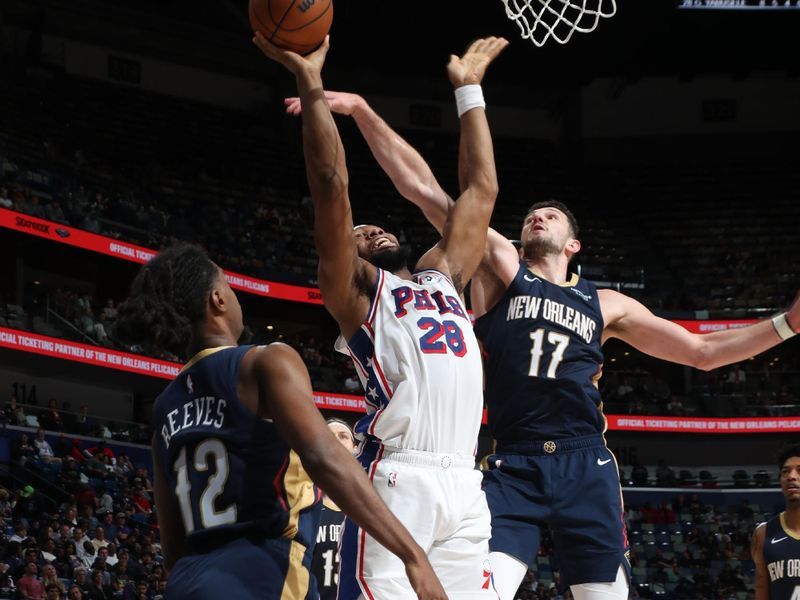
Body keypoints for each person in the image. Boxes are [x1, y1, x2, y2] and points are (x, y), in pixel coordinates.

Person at [307, 91, 800, 600]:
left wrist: (786, 324)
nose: (538, 218)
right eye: (531, 216)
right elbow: (423, 190)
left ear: (573, 245)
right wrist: (364, 114)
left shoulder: (605, 303)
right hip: (511, 463)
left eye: (552, 216)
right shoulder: (501, 267)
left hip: (584, 463)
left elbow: (703, 353)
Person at [254, 30, 507, 600]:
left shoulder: (442, 275)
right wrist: (312, 83)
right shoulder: (358, 296)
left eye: (376, 224)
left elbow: (481, 190)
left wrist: (469, 94)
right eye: (360, 230)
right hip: (399, 476)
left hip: (466, 480)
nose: (371, 228)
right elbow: (330, 183)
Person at [113, 243, 445, 600]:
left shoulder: (163, 407)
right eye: (228, 285)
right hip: (261, 573)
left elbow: (173, 546)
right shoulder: (265, 362)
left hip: (188, 582)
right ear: (217, 300)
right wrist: (412, 556)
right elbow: (324, 458)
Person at [311, 419, 356, 600]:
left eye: (343, 436)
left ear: (356, 449)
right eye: (330, 437)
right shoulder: (306, 505)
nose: (336, 441)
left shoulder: (371, 512)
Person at [752, 443, 800, 599]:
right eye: (785, 471)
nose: (791, 476)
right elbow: (761, 587)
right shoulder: (763, 533)